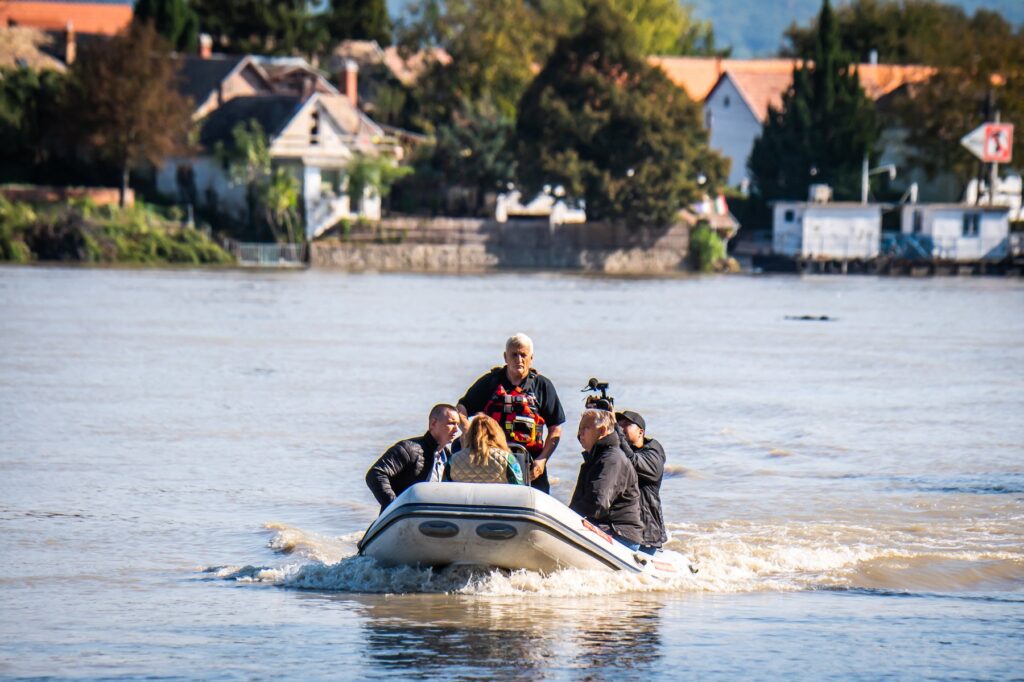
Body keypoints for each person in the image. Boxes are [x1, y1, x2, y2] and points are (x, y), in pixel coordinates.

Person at [457, 333, 565, 493]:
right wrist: (467, 432)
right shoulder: (490, 382)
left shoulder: (542, 386)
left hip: (530, 462)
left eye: (523, 355)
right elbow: (461, 408)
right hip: (492, 460)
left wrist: (542, 460)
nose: (519, 359)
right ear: (505, 357)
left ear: (531, 358)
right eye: (514, 354)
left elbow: (555, 428)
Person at [568, 409, 644, 550]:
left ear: (602, 430)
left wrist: (566, 517)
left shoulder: (611, 459)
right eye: (579, 428)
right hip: (607, 527)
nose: (580, 434)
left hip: (620, 533)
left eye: (586, 428)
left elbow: (598, 504)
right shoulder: (595, 459)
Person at [365, 404, 461, 514]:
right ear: (433, 423)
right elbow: (375, 474)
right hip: (404, 520)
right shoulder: (409, 449)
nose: (456, 429)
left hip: (432, 521)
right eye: (451, 423)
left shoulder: (449, 457)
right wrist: (395, 506)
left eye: (458, 424)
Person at [615, 410, 668, 555]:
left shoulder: (653, 454)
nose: (621, 428)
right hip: (624, 525)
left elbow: (633, 462)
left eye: (626, 425)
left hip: (646, 533)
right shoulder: (619, 452)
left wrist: (616, 432)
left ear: (641, 432)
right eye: (619, 425)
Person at [448, 414, 525, 485]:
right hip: (498, 499)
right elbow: (519, 486)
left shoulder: (453, 459)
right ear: (497, 434)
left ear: (470, 434)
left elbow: (444, 486)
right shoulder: (508, 458)